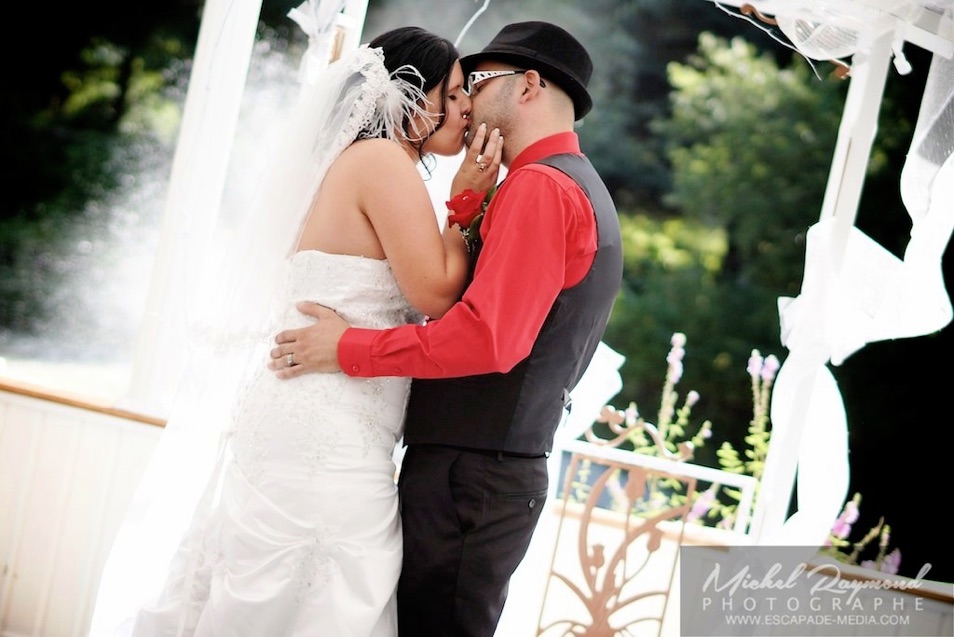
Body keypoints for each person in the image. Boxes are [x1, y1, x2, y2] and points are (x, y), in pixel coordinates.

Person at [88, 17, 503, 637]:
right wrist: (468, 203)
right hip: (324, 433)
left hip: (326, 418)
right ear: (412, 101)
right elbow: (436, 294)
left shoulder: (368, 162)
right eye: (454, 93)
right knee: (324, 590)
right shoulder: (382, 162)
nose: (466, 108)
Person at [268, 20, 623, 637]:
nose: (463, 103)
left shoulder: (541, 187)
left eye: (476, 84)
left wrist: (349, 347)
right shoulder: (562, 184)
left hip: (473, 473)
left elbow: (488, 339)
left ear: (529, 85)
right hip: (475, 466)